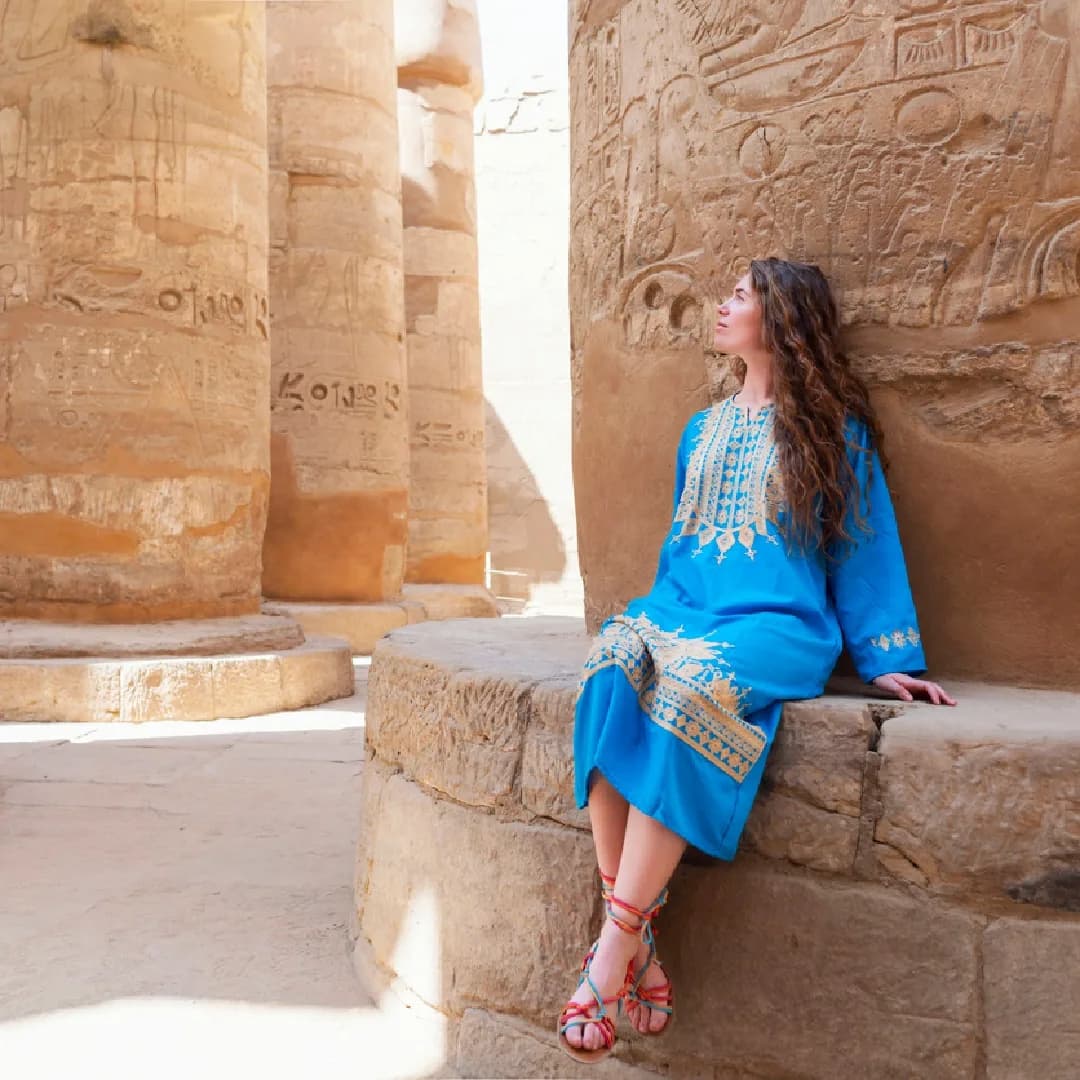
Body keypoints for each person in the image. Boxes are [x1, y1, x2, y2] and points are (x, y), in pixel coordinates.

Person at [557, 257, 956, 1063]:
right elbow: (682, 542)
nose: (722, 306)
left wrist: (886, 655)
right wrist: (654, 621)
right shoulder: (700, 430)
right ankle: (632, 942)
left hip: (779, 625)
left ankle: (611, 951)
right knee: (612, 664)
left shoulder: (831, 430)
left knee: (690, 690)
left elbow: (863, 545)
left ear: (780, 318)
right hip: (687, 608)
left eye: (739, 296)